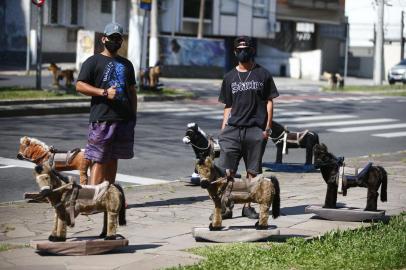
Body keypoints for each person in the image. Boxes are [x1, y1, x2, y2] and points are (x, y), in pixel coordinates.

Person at [217, 36, 279, 219]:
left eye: (246, 47)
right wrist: (223, 130)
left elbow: (269, 102)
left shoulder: (263, 74)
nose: (243, 51)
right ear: (235, 52)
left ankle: (248, 206)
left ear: (252, 50)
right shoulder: (229, 77)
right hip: (233, 130)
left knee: (253, 172)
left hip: (255, 130)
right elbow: (228, 106)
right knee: (227, 172)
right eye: (239, 48)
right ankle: (226, 207)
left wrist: (267, 128)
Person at [76, 22, 137, 185]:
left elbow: (132, 91)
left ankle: (107, 196)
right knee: (99, 159)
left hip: (123, 120)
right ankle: (92, 198)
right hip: (102, 118)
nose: (115, 41)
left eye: (118, 39)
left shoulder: (127, 64)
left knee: (113, 158)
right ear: (103, 39)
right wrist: (103, 92)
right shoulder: (93, 61)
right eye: (112, 38)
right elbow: (79, 85)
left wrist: (133, 116)